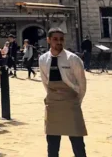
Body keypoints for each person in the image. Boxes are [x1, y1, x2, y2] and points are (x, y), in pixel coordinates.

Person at [39, 27, 87, 157]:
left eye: (61, 39)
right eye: (55, 39)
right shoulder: (43, 59)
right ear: (48, 40)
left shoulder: (73, 59)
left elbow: (82, 83)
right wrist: (51, 96)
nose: (58, 42)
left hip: (71, 103)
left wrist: (76, 101)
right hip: (53, 104)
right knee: (52, 142)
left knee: (77, 141)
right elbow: (45, 81)